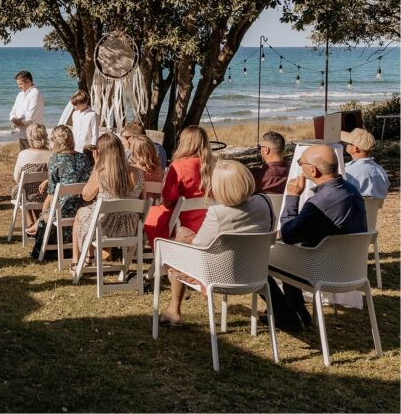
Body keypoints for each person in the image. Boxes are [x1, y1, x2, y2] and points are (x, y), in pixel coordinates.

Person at [158, 160, 275, 326]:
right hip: (256, 270)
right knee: (184, 239)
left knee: (182, 238)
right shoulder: (264, 202)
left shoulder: (217, 213)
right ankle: (174, 310)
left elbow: (199, 246)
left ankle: (173, 310)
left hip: (219, 275)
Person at [266, 144, 367, 331]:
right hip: (353, 269)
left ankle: (287, 315)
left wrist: (292, 197)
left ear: (313, 170)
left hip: (321, 271)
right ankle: (297, 311)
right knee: (288, 256)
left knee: (263, 260)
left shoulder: (319, 203)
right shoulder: (353, 191)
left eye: (300, 163)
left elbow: (289, 235)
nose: (300, 166)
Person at [72, 133, 144, 272]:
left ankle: (77, 261)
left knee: (81, 213)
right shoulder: (139, 173)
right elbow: (142, 200)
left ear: (100, 152)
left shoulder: (101, 173)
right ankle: (90, 256)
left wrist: (96, 166)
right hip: (131, 228)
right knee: (89, 213)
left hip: (104, 229)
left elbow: (86, 196)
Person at [27, 126, 92, 260]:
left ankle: (39, 230)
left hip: (63, 210)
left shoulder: (55, 160)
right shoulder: (84, 158)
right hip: (83, 207)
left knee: (47, 210)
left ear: (55, 141)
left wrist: (43, 215)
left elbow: (52, 193)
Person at [143, 126, 215, 246]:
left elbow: (167, 200)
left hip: (182, 223)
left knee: (151, 213)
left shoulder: (179, 166)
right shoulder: (213, 165)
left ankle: (162, 253)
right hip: (208, 221)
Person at [12, 123, 51, 227]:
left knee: (21, 190)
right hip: (46, 195)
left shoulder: (23, 154)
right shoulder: (52, 154)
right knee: (29, 191)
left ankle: (30, 224)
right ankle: (39, 223)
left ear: (29, 137)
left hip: (27, 196)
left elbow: (16, 178)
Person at [341, 128, 389, 199]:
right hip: (372, 209)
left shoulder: (347, 171)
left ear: (355, 148)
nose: (346, 145)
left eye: (348, 143)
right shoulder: (380, 171)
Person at [10, 70, 45, 150]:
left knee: (34, 158)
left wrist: (19, 122)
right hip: (22, 132)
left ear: (28, 81)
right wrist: (13, 119)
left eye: (21, 84)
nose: (19, 86)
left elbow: (31, 115)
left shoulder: (35, 93)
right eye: (18, 84)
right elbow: (13, 110)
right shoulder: (20, 94)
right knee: (24, 157)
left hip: (34, 134)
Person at [125, 134, 165, 199]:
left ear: (135, 152)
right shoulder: (159, 168)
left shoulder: (134, 170)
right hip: (154, 204)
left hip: (139, 205)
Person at [69, 91, 98, 156]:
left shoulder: (92, 114)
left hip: (86, 147)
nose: (74, 107)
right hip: (75, 146)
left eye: (76, 105)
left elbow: (95, 132)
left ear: (83, 104)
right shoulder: (75, 114)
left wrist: (93, 146)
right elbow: (74, 130)